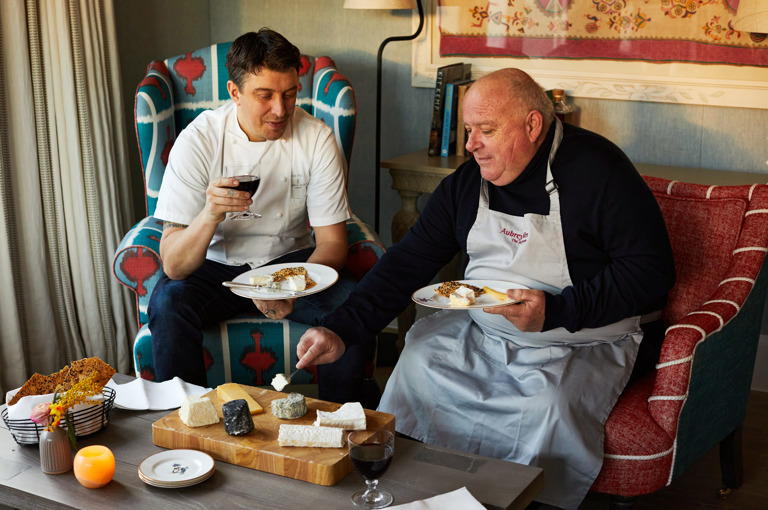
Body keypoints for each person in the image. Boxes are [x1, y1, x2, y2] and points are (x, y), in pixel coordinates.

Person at [296, 69, 676, 509]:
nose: (471, 144)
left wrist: (556, 311)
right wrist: (339, 330)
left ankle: (527, 502)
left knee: (545, 406)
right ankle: (425, 494)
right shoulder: (467, 182)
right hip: (485, 334)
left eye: (487, 130)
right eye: (469, 130)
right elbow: (407, 262)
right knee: (418, 361)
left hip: (581, 339)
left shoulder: (599, 172)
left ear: (533, 125)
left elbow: (650, 271)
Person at [148, 29, 365, 403]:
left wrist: (289, 287)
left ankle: (343, 424)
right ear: (235, 93)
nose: (280, 110)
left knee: (354, 307)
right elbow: (174, 264)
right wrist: (210, 214)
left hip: (291, 263)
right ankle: (186, 422)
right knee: (168, 303)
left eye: (290, 94)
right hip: (214, 268)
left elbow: (332, 244)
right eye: (265, 96)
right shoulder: (198, 141)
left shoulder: (316, 138)